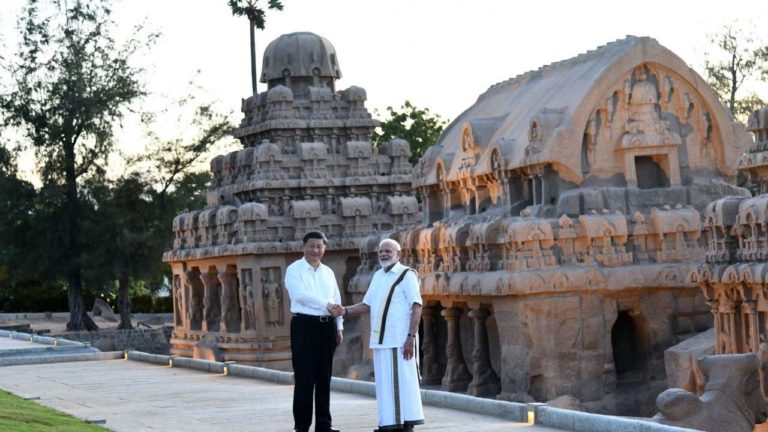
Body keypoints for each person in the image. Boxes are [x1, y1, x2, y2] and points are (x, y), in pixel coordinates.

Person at [332, 238, 424, 432]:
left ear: (398, 254)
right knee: (384, 385)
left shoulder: (406, 275)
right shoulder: (378, 276)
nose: (384, 254)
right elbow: (367, 305)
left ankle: (402, 425)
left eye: (388, 251)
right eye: (381, 251)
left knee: (400, 383)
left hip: (399, 340)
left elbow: (416, 306)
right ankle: (388, 423)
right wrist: (344, 311)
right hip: (380, 341)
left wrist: (411, 337)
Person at [285, 231, 343, 432]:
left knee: (324, 377)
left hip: (327, 326)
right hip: (304, 326)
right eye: (312, 246)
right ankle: (301, 426)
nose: (315, 250)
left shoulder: (328, 272)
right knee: (304, 377)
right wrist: (326, 305)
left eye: (319, 246)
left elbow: (337, 299)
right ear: (304, 247)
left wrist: (339, 325)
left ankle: (324, 425)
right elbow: (300, 296)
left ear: (324, 248)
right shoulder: (294, 270)